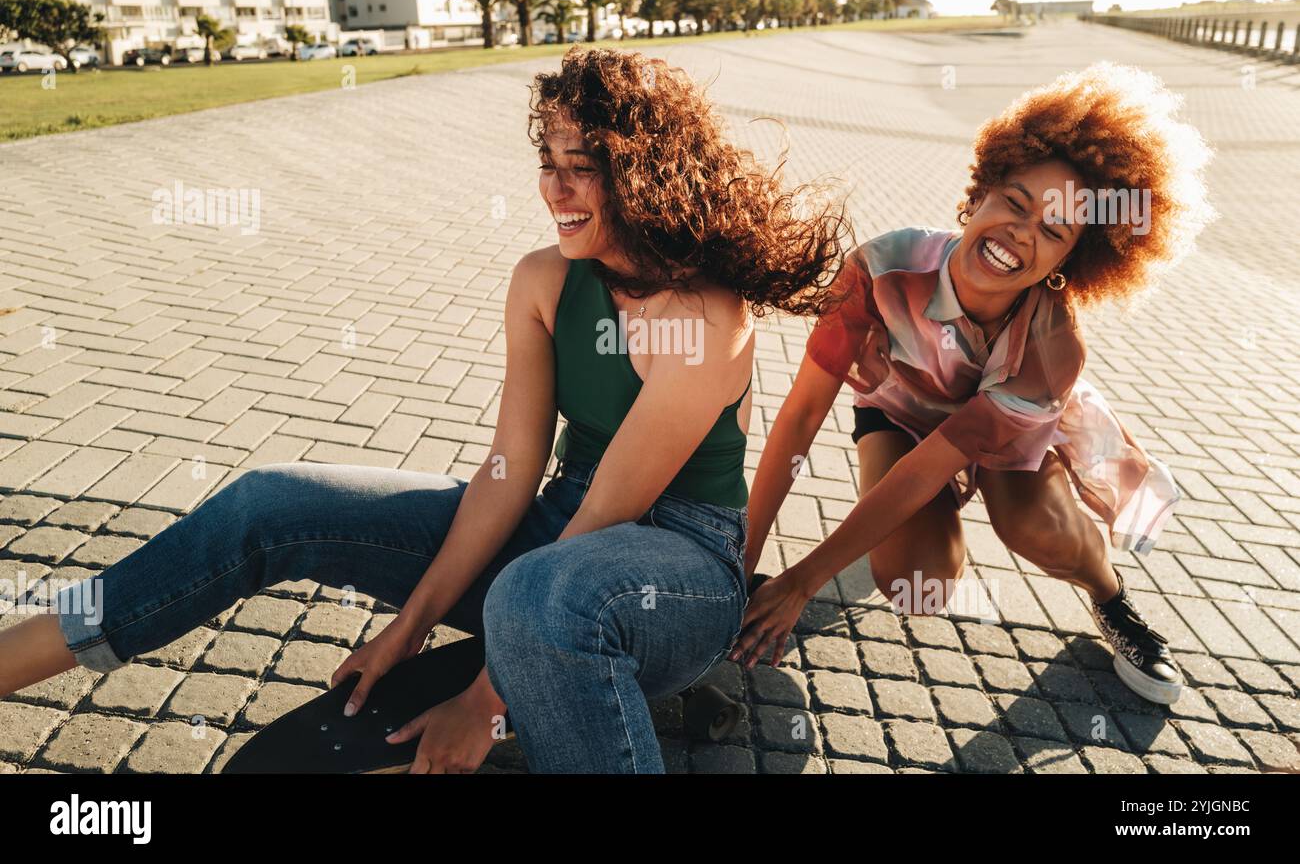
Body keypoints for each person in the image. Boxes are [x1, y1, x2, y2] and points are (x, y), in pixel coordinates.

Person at [0, 46, 848, 773]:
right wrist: (408, 629)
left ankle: (566, 684)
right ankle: (17, 655)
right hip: (556, 530)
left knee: (540, 597)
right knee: (269, 501)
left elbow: (611, 514)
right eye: (545, 161)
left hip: (681, 570)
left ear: (643, 168)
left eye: (579, 163)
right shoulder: (544, 282)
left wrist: (483, 702)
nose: (555, 187)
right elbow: (509, 472)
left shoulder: (709, 314)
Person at [732, 62, 1215, 705]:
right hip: (902, 413)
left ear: (1071, 261)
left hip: (1003, 431)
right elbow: (797, 420)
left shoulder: (1052, 348)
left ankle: (1111, 598)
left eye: (1054, 231)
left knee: (1032, 529)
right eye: (1016, 203)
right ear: (978, 192)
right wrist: (741, 566)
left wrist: (801, 582)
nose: (1022, 234)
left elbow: (934, 465)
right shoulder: (879, 267)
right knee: (915, 583)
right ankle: (907, 530)